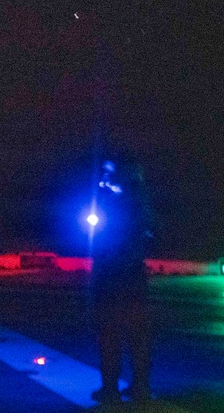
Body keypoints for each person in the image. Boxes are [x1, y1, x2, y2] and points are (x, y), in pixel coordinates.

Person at [90, 156, 157, 405]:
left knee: (114, 333)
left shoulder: (127, 203)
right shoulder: (132, 201)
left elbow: (114, 238)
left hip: (117, 276)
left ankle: (116, 388)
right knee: (130, 334)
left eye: (109, 173)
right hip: (125, 276)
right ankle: (135, 386)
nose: (104, 178)